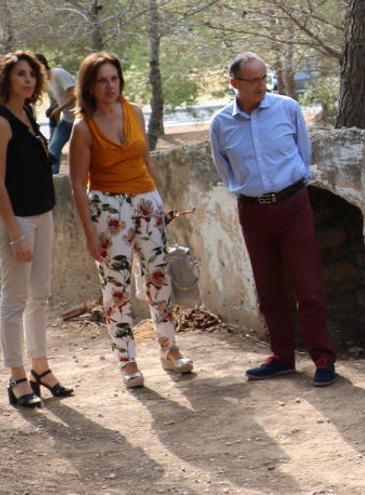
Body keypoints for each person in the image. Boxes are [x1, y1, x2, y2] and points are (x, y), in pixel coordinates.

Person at [209, 52, 337, 386]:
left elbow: (303, 155)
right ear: (234, 83)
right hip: (252, 210)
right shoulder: (221, 123)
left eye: (265, 78)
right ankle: (282, 357)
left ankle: (322, 357)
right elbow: (225, 169)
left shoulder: (287, 109)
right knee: (268, 289)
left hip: (293, 204)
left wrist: (287, 190)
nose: (262, 86)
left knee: (308, 287)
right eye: (254, 80)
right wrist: (250, 192)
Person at [68, 52, 193, 389]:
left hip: (146, 203)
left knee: (159, 278)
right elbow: (78, 184)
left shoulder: (135, 111)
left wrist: (159, 202)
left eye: (114, 78)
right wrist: (89, 234)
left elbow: (146, 161)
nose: (110, 86)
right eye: (102, 81)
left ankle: (170, 349)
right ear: (90, 87)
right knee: (117, 288)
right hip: (108, 210)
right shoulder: (83, 127)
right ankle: (127, 360)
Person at [0, 51, 73, 408]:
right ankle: (15, 378)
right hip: (17, 220)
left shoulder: (27, 114)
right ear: (6, 80)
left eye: (32, 74)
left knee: (39, 297)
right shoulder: (1, 121)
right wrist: (14, 232)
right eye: (20, 74)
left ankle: (40, 369)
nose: (28, 79)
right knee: (14, 301)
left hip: (43, 214)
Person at [35, 54, 75, 174]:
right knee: (53, 148)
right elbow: (56, 103)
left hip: (82, 119)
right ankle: (54, 179)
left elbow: (75, 94)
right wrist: (52, 110)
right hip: (68, 120)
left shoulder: (58, 73)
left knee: (79, 152)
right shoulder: (46, 82)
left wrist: (59, 109)